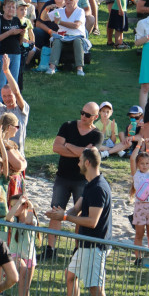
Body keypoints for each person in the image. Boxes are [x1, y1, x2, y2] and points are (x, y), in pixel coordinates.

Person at [47, 148, 112, 296]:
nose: (77, 164)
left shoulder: (99, 187)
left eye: (80, 160)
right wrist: (61, 212)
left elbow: (92, 221)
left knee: (96, 289)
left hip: (94, 245)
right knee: (70, 276)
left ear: (87, 163)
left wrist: (65, 218)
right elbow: (78, 207)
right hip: (85, 245)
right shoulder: (90, 184)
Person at [45, 104, 103, 257]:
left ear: (95, 117)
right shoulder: (68, 126)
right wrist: (80, 151)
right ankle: (50, 248)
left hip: (82, 180)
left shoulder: (97, 135)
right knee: (56, 210)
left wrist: (69, 145)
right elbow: (56, 147)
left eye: (88, 115)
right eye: (82, 113)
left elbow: (89, 154)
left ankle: (77, 250)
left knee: (81, 215)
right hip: (62, 176)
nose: (83, 116)